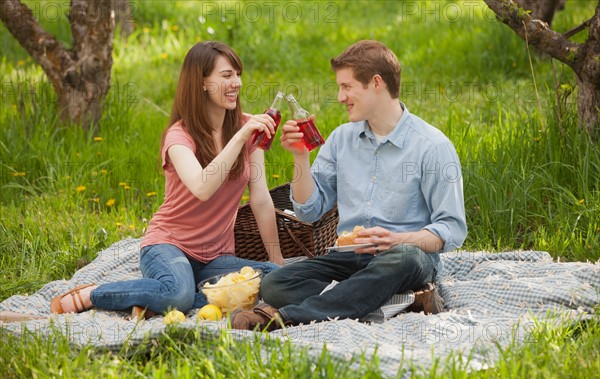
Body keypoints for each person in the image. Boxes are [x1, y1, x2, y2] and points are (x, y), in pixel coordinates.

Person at [231, 40, 467, 330]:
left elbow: (452, 229)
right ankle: (403, 301)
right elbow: (309, 211)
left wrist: (396, 240)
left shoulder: (432, 147)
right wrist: (301, 158)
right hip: (349, 259)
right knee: (275, 283)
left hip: (404, 258)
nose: (340, 97)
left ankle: (286, 318)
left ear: (376, 83)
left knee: (404, 258)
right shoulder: (342, 139)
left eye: (347, 87)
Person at [51, 41, 284, 318]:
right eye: (226, 76)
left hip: (216, 257)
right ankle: (92, 293)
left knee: (275, 279)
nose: (236, 83)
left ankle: (151, 301)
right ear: (201, 83)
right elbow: (201, 187)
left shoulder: (247, 130)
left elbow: (260, 198)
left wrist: (276, 258)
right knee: (178, 294)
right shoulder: (179, 136)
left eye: (237, 74)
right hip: (168, 245)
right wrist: (240, 138)